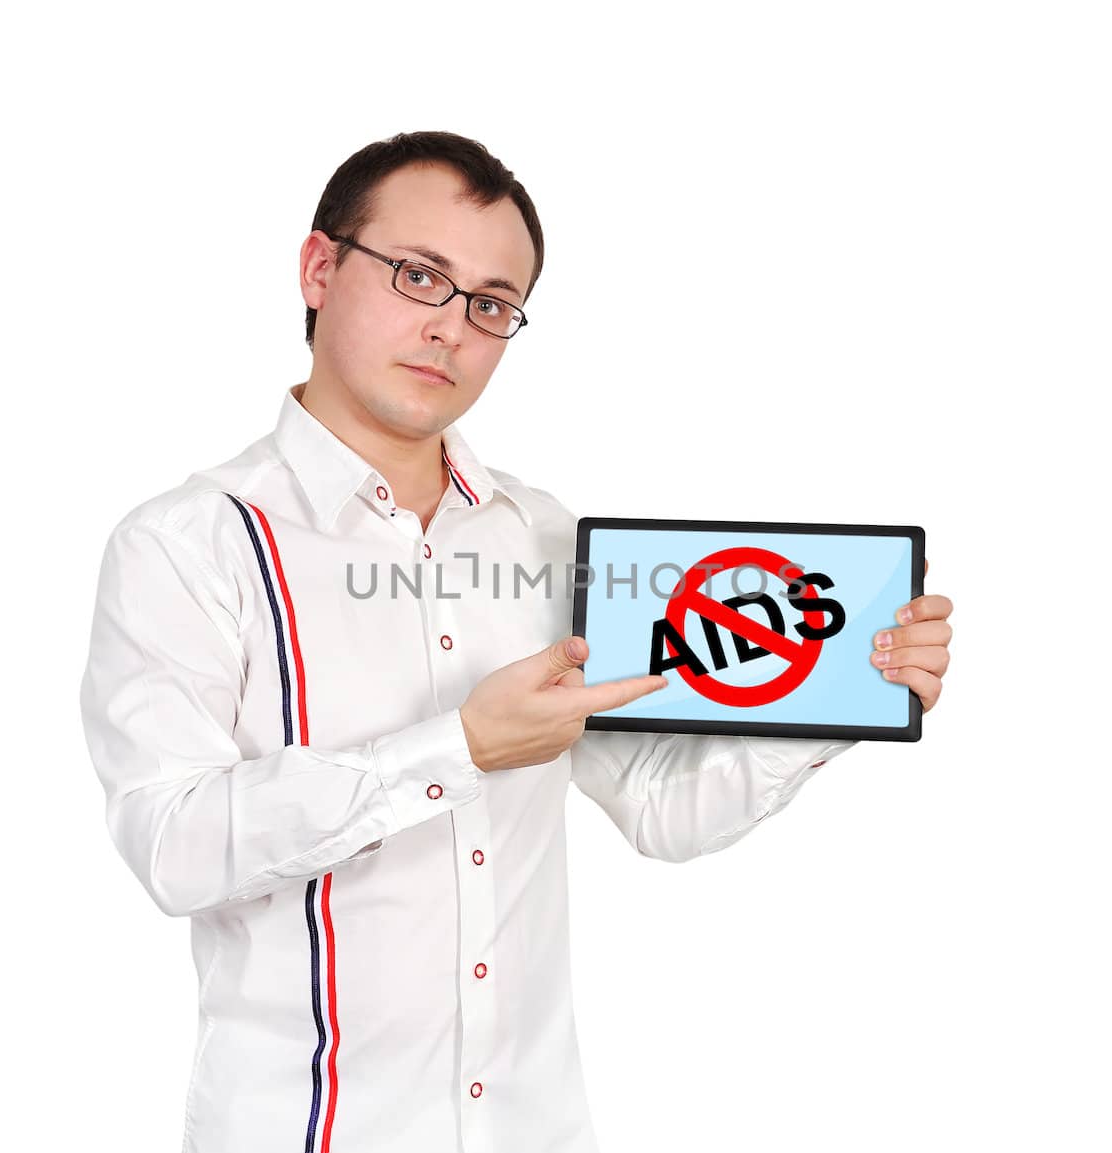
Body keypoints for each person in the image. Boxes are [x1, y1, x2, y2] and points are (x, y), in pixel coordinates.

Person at [78, 130, 955, 1153]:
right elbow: (174, 847)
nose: (449, 329)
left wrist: (850, 687)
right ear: (320, 269)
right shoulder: (189, 545)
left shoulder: (540, 537)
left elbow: (660, 806)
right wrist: (460, 746)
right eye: (418, 276)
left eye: (490, 304)